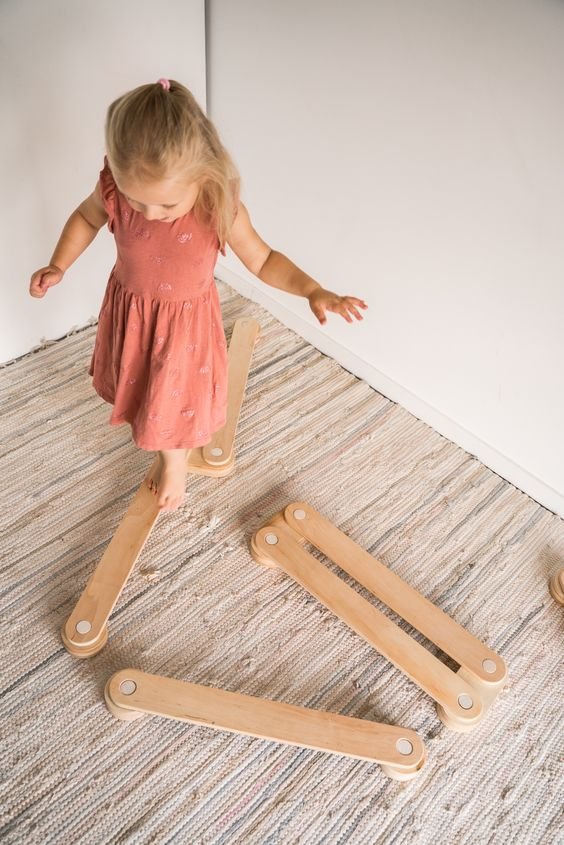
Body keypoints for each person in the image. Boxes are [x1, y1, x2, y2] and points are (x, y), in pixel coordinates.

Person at [29, 79, 368, 512]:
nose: (149, 214)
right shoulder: (115, 185)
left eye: (166, 207)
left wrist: (312, 290)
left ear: (202, 175)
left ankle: (174, 460)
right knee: (141, 385)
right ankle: (162, 440)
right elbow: (86, 217)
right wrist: (59, 264)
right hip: (133, 313)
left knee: (173, 403)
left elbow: (263, 260)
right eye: (137, 201)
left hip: (183, 330)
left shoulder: (217, 206)